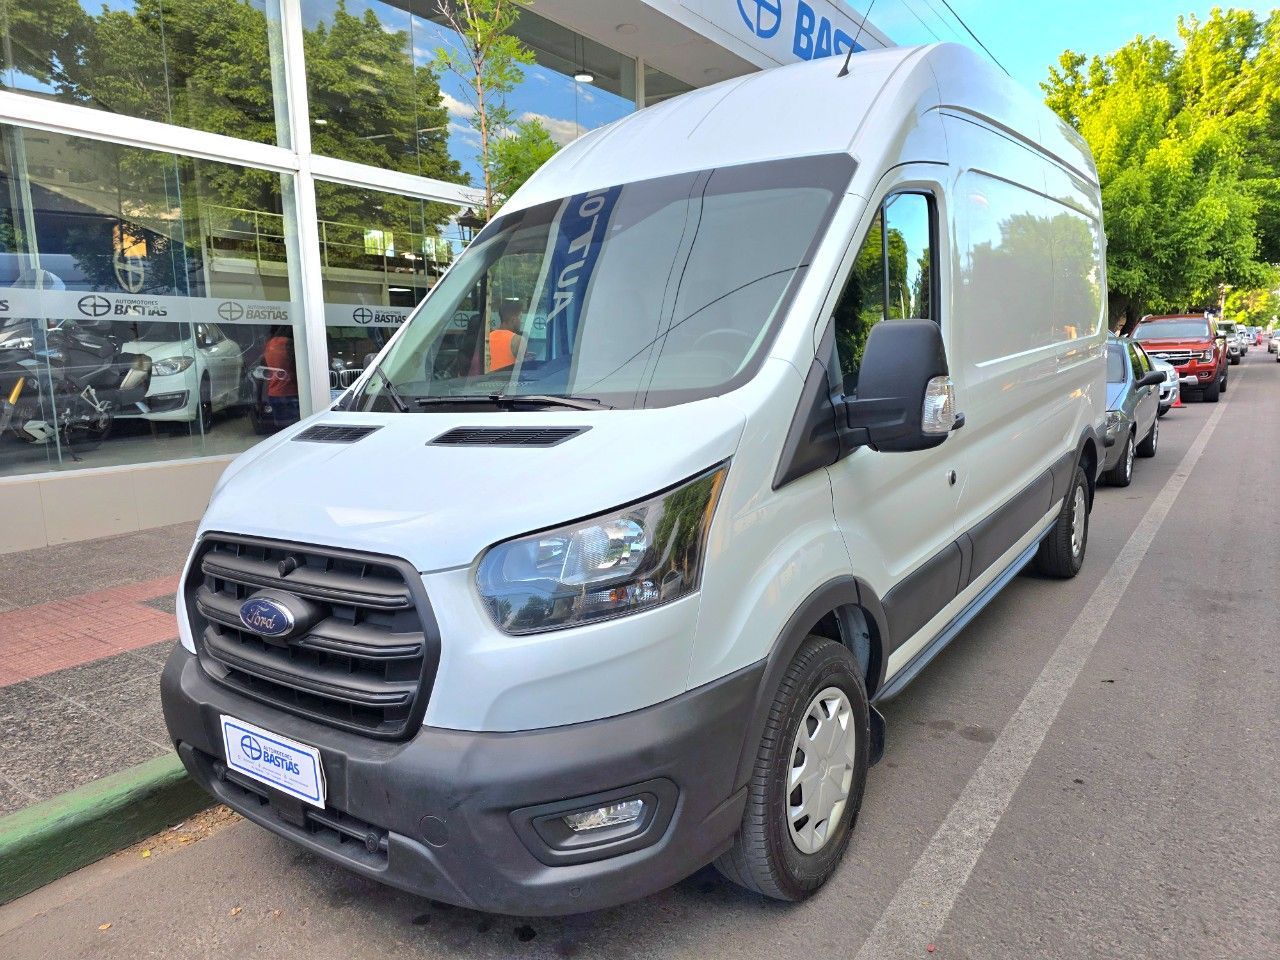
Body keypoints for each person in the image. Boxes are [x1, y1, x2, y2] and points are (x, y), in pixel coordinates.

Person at [488, 301, 524, 371]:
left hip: (489, 380)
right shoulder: (518, 340)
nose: (521, 321)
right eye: (520, 317)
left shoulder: (488, 337)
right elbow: (525, 369)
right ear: (513, 320)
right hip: (508, 380)